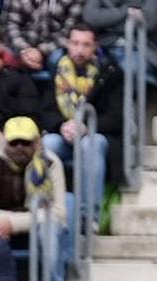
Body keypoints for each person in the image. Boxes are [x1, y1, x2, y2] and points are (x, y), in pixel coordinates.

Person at [38, 21, 121, 226]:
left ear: (95, 47)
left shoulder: (109, 72)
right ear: (68, 44)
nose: (80, 50)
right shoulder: (57, 70)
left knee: (90, 144)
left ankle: (88, 217)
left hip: (96, 135)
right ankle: (47, 211)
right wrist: (61, 126)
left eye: (85, 45)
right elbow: (45, 111)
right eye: (75, 43)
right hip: (65, 135)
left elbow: (116, 117)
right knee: (48, 143)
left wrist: (87, 126)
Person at [0, 116, 68, 249]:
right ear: (4, 141)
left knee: (50, 231)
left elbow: (58, 213)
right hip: (1, 227)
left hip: (38, 225)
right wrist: (5, 224)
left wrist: (13, 224)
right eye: (13, 142)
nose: (19, 147)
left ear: (37, 142)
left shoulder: (51, 162)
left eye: (25, 142)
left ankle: (55, 271)